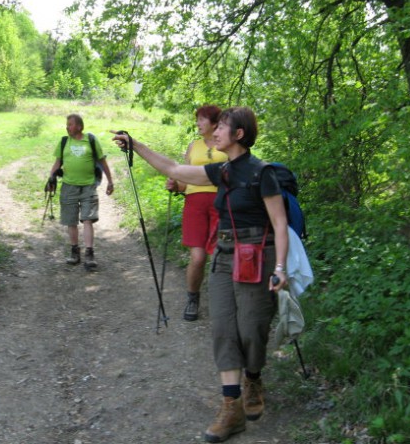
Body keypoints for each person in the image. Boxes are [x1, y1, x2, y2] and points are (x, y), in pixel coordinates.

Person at [112, 106, 289, 443]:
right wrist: (135, 144)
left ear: (239, 134)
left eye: (222, 127)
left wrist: (280, 268)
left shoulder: (261, 173)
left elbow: (279, 224)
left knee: (252, 329)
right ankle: (231, 406)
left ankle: (253, 377)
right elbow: (174, 169)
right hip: (223, 257)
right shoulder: (219, 171)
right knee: (223, 328)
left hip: (257, 256)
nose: (215, 132)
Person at [166, 105, 227, 321]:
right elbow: (185, 181)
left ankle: (224, 302)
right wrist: (176, 186)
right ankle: (193, 298)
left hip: (221, 203)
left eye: (202, 119)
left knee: (220, 255)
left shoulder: (227, 145)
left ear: (214, 123)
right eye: (197, 119)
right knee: (198, 256)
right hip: (195, 204)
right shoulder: (193, 146)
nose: (198, 123)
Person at [48, 114, 114, 269]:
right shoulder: (64, 141)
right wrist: (50, 178)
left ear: (79, 126)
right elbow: (57, 162)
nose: (67, 127)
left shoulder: (90, 140)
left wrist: (110, 181)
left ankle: (89, 254)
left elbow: (103, 162)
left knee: (88, 219)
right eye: (67, 124)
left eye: (70, 124)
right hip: (68, 186)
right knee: (71, 220)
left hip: (88, 186)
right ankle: (74, 252)